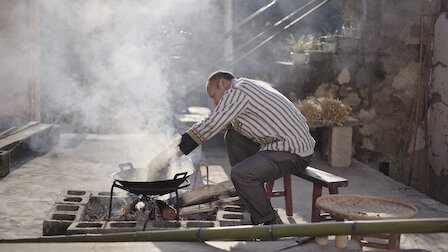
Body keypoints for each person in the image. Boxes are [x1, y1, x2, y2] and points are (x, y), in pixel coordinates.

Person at [178, 70, 315, 225]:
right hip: (281, 144)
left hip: (294, 151)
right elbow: (254, 120)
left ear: (222, 83)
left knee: (240, 174)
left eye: (213, 95)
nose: (215, 103)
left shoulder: (237, 92)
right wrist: (230, 124)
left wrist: (178, 148)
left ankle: (269, 221)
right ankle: (247, 194)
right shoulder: (244, 86)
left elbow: (212, 122)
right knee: (233, 136)